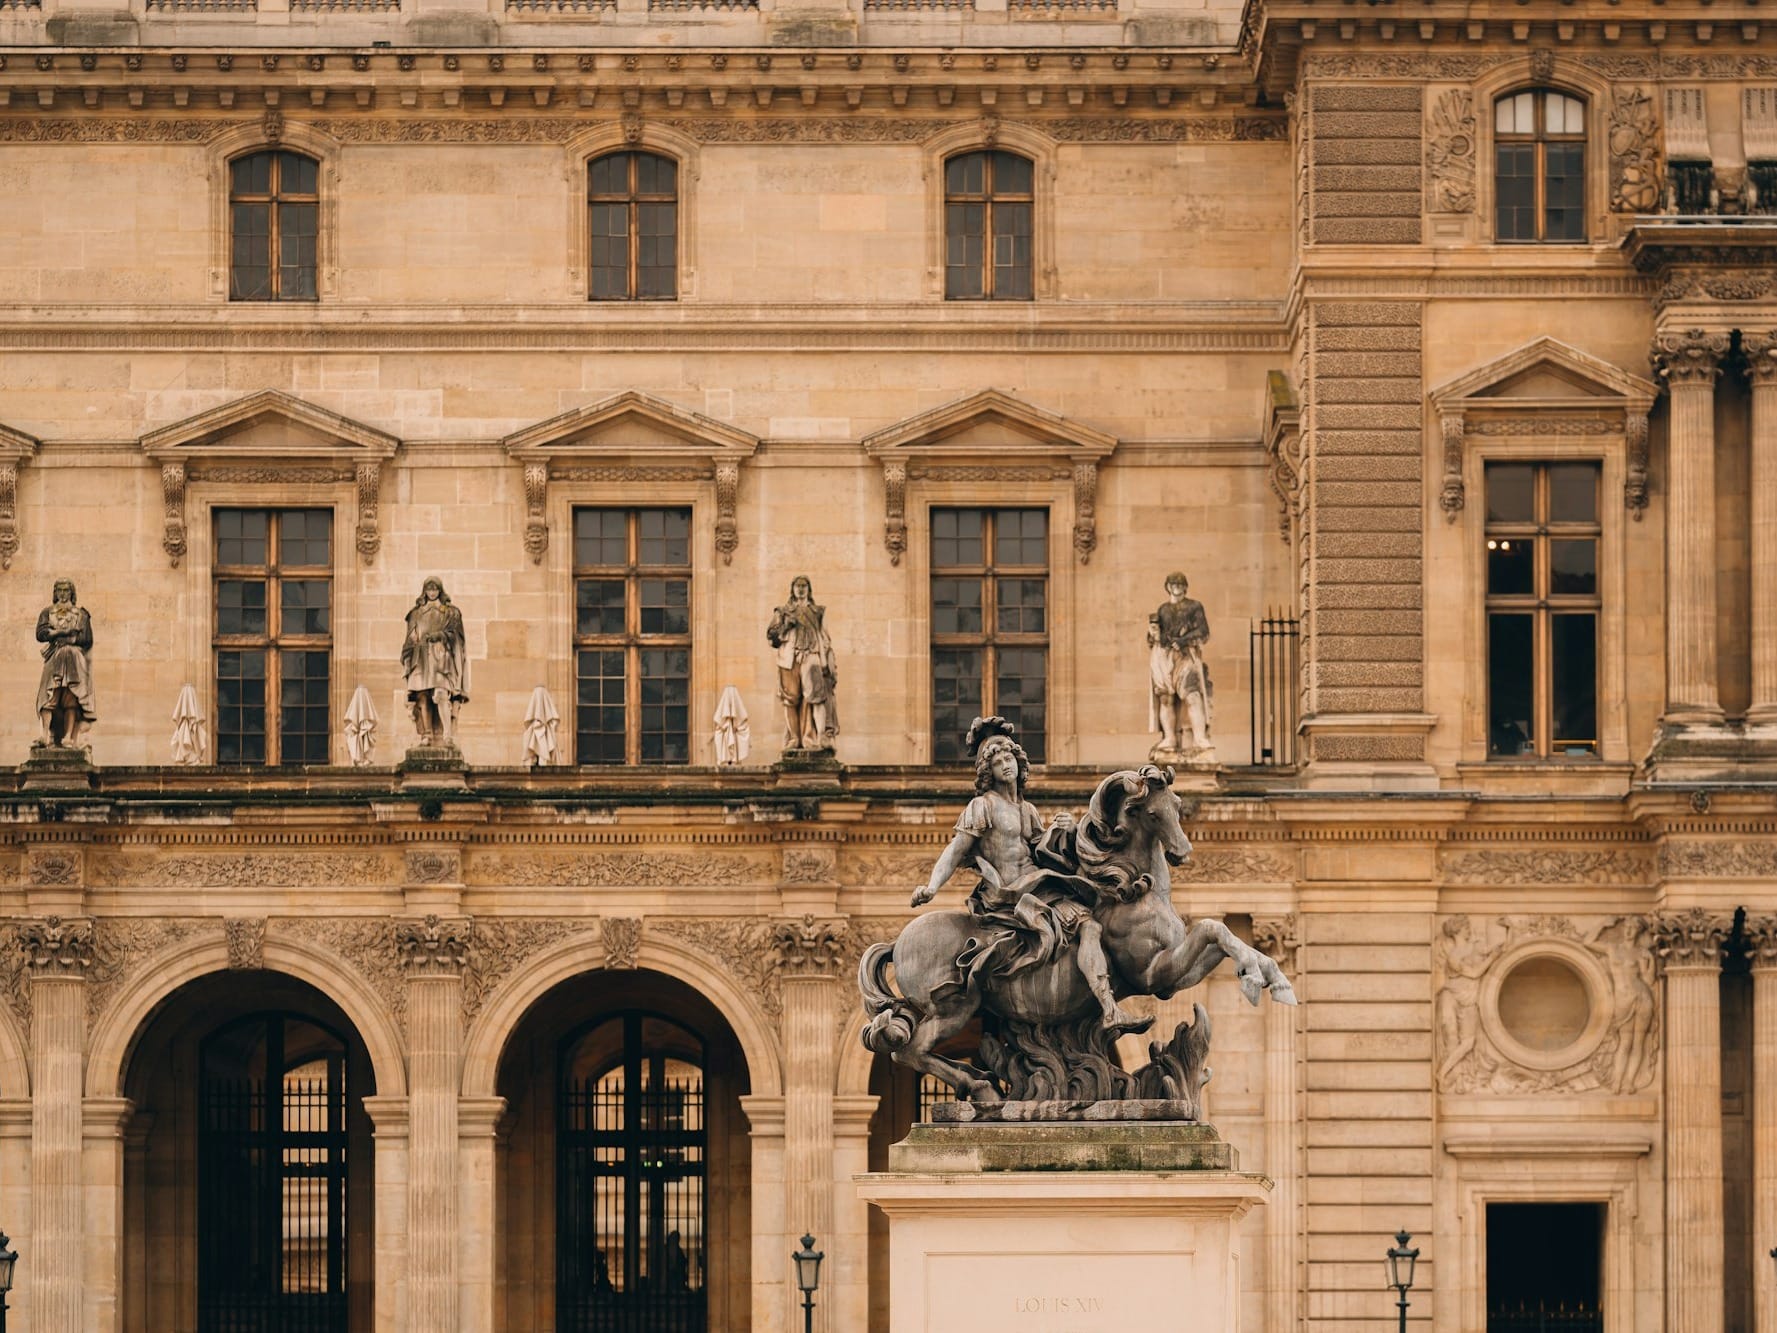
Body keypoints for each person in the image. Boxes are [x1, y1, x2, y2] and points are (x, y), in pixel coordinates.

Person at [910, 717, 1151, 1035]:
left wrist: (1064, 829)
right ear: (989, 772)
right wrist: (931, 886)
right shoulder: (982, 807)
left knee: (1095, 918)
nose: (1005, 765)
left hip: (1039, 885)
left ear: (1019, 764)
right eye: (997, 762)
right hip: (1010, 893)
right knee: (1088, 926)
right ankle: (1109, 1009)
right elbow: (956, 850)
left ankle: (1105, 1006)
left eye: (1008, 758)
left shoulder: (1028, 811)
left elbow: (1043, 851)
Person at [766, 575, 838, 750]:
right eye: (797, 586)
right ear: (792, 589)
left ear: (808, 589)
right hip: (789, 659)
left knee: (816, 697)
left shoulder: (818, 611)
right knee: (790, 700)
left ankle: (819, 737)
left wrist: (825, 662)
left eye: (804, 585)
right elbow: (771, 638)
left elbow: (825, 637)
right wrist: (786, 626)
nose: (800, 589)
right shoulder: (782, 612)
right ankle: (793, 738)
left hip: (811, 655)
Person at [1148, 571, 1213, 756]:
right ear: (1168, 587)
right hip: (1165, 657)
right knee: (1165, 699)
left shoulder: (1194, 606)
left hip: (1186, 656)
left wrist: (1183, 640)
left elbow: (1203, 631)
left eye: (1180, 584)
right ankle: (1169, 738)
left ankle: (1200, 737)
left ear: (1185, 586)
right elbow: (1155, 636)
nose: (1176, 587)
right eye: (1173, 584)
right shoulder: (1163, 609)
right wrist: (1152, 634)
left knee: (1192, 696)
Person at [402, 576, 468, 747]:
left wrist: (441, 635)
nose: (432, 592)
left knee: (440, 694)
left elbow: (457, 637)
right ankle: (427, 734)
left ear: (440, 590)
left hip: (440, 659)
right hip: (420, 658)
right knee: (422, 696)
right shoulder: (415, 613)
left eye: (435, 589)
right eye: (429, 589)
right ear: (425, 591)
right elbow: (410, 639)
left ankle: (447, 734)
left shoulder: (450, 611)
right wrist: (407, 655)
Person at [36, 578, 95, 748]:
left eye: (66, 591)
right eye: (59, 591)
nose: (62, 594)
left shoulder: (81, 614)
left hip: (74, 657)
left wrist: (71, 636)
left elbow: (86, 639)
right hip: (55, 656)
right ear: (55, 593)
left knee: (72, 698)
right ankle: (44, 735)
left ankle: (68, 737)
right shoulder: (47, 612)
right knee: (49, 696)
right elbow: (40, 633)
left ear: (72, 593)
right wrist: (60, 633)